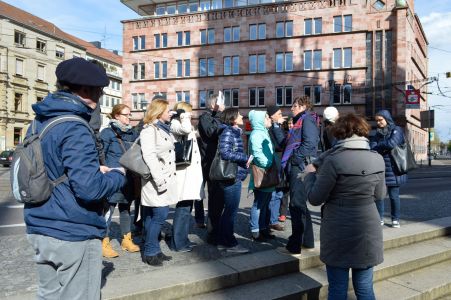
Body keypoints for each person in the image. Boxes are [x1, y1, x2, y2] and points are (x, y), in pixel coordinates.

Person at [25, 57, 125, 299]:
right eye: (100, 92)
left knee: (48, 295)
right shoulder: (75, 127)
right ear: (84, 90)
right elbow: (89, 189)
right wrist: (117, 176)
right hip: (72, 230)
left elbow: (53, 167)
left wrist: (91, 171)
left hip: (39, 226)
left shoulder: (39, 121)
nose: (101, 97)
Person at [304, 113, 386, 300]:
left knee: (338, 289)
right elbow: (380, 195)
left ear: (340, 133)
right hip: (368, 227)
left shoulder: (333, 160)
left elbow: (315, 199)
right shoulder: (377, 158)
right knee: (365, 288)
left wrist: (309, 176)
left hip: (338, 228)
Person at [100, 104, 140, 258]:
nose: (128, 117)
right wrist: (104, 169)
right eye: (126, 115)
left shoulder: (131, 133)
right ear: (116, 115)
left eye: (129, 114)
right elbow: (100, 154)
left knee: (125, 209)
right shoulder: (107, 133)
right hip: (112, 178)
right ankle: (103, 242)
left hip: (128, 178)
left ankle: (126, 239)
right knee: (108, 210)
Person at [140, 99, 177, 266]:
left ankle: (155, 250)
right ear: (159, 112)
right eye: (168, 110)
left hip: (163, 178)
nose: (170, 113)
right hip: (155, 180)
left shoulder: (163, 129)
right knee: (160, 216)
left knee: (152, 216)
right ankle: (149, 251)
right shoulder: (149, 130)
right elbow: (149, 157)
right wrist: (160, 181)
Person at [280, 96, 319, 254]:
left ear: (303, 107)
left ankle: (295, 245)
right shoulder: (299, 121)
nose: (292, 108)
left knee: (296, 205)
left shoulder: (307, 120)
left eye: (294, 105)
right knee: (300, 205)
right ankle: (307, 241)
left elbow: (310, 142)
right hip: (300, 166)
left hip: (301, 167)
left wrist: (295, 159)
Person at [214, 108, 252, 253]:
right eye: (239, 114)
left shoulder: (233, 131)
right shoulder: (228, 131)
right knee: (230, 212)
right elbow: (225, 152)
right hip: (231, 176)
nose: (242, 116)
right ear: (232, 118)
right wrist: (245, 158)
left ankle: (223, 241)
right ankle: (229, 243)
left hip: (234, 175)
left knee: (229, 211)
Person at [169, 102, 204, 252]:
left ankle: (183, 239)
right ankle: (178, 243)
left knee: (187, 209)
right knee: (182, 209)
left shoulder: (182, 123)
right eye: (189, 112)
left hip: (190, 173)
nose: (191, 114)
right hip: (183, 174)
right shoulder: (176, 123)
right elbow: (186, 129)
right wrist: (182, 115)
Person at [370, 110, 407, 228]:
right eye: (377, 121)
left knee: (393, 196)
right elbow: (372, 147)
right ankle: (379, 218)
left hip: (394, 168)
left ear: (387, 119)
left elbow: (392, 143)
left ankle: (395, 219)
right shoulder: (378, 133)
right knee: (379, 196)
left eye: (380, 120)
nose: (378, 123)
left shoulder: (397, 130)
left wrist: (380, 146)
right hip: (381, 168)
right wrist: (382, 146)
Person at [198, 94, 224, 245]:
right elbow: (211, 132)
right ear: (213, 104)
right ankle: (212, 234)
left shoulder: (217, 117)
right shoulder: (205, 117)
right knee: (214, 199)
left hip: (219, 162)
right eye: (220, 102)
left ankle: (217, 229)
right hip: (210, 163)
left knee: (220, 200)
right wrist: (219, 113)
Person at [248, 110, 277, 240]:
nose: (269, 119)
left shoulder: (262, 132)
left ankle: (263, 228)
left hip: (267, 172)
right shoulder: (257, 134)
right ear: (260, 121)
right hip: (262, 172)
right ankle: (255, 231)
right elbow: (257, 152)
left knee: (264, 203)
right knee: (259, 204)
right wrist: (268, 163)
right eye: (266, 117)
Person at [266, 105, 288, 230]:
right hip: (275, 164)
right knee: (274, 194)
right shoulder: (270, 128)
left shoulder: (278, 127)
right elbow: (280, 144)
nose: (281, 115)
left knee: (279, 193)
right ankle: (270, 220)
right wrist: (275, 126)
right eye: (278, 113)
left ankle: (273, 220)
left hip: (281, 164)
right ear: (272, 116)